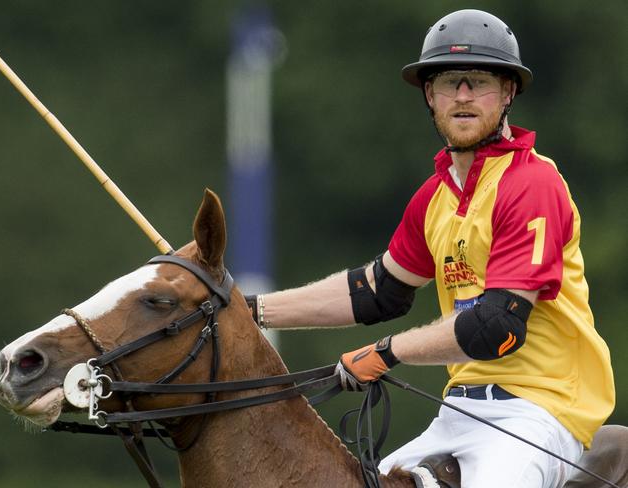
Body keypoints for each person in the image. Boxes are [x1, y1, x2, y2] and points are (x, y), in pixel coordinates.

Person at [247, 9, 615, 488]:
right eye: (448, 83)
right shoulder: (437, 196)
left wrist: (387, 351)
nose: (462, 96)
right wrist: (247, 309)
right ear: (430, 96)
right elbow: (378, 290)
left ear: (507, 94)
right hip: (459, 412)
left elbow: (496, 325)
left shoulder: (532, 183)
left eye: (478, 81)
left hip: (541, 415)